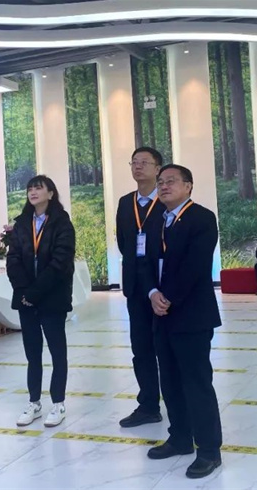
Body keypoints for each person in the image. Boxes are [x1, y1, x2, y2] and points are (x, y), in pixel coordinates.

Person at [142, 164, 223, 479]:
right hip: (160, 312)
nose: (163, 186)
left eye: (171, 181)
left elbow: (196, 265)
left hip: (191, 313)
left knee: (196, 382)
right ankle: (179, 438)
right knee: (170, 380)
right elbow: (143, 262)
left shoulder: (201, 218)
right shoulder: (154, 221)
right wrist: (152, 293)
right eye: (160, 182)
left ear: (188, 186)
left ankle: (209, 450)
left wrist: (169, 297)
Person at [6, 175, 76, 428]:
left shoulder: (62, 223)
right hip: (26, 299)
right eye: (30, 189)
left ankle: (58, 403)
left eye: (38, 188)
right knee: (32, 353)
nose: (33, 192)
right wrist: (25, 291)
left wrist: (35, 292)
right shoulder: (22, 223)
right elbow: (13, 259)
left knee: (57, 352)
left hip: (52, 297)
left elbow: (61, 261)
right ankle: (34, 402)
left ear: (51, 193)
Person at [115, 147, 166, 428]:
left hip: (163, 285)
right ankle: (148, 405)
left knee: (167, 347)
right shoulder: (126, 203)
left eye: (144, 162)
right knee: (141, 348)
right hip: (136, 287)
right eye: (134, 162)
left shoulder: (167, 199)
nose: (138, 166)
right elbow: (124, 242)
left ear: (158, 169)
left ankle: (177, 401)